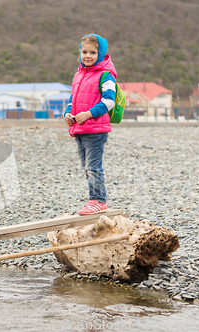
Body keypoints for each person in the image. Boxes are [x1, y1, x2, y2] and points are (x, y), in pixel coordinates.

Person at [63, 34, 117, 215]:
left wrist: (88, 114)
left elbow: (109, 101)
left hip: (95, 130)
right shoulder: (78, 75)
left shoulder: (106, 76)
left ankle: (99, 200)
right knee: (86, 167)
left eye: (93, 52)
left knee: (93, 167)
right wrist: (67, 113)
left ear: (100, 54)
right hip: (80, 129)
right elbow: (73, 99)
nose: (87, 55)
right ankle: (93, 198)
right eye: (84, 51)